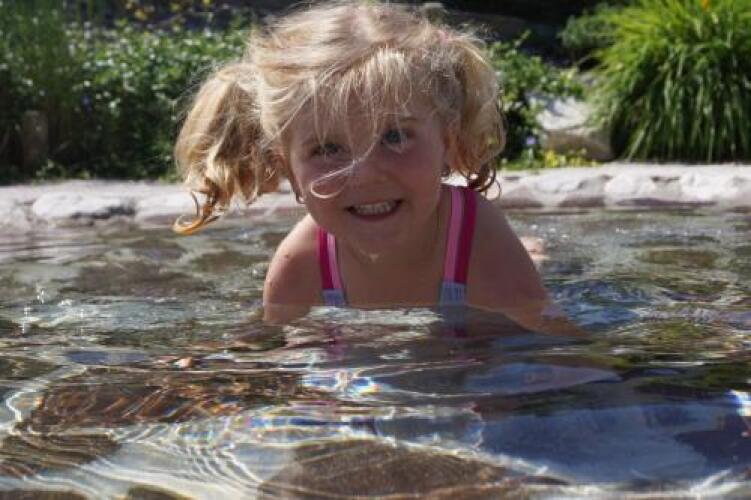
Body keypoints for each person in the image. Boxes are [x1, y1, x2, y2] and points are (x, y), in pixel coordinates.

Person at [173, 0, 572, 332]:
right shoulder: (301, 265)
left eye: (395, 137)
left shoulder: (478, 239)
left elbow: (556, 344)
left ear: (447, 144)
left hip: (473, 269)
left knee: (529, 269)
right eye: (327, 148)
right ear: (288, 168)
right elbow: (285, 371)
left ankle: (532, 253)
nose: (364, 175)